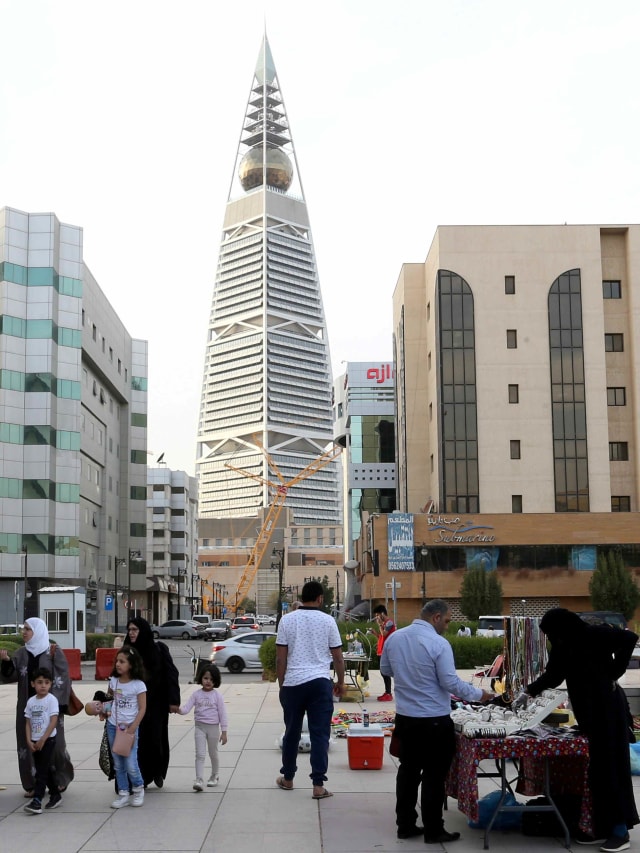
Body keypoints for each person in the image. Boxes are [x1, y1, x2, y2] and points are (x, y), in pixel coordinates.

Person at [514, 608, 638, 852]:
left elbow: (629, 638)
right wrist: (529, 691)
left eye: (551, 633)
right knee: (597, 773)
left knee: (613, 768)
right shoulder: (563, 644)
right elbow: (554, 675)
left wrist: (615, 672)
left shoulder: (593, 633)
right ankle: (601, 827)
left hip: (608, 708)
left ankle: (620, 830)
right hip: (588, 712)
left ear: (563, 628)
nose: (550, 638)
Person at [380, 598, 494, 843]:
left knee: (408, 772)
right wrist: (480, 695)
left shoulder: (395, 638)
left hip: (406, 718)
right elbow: (450, 683)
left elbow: (386, 669)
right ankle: (433, 829)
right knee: (433, 775)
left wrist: (409, 675)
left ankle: (406, 825)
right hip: (433, 720)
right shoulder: (438, 643)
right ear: (436, 617)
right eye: (447, 620)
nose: (448, 626)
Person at [275, 579, 346, 799]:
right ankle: (318, 785)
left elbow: (280, 658)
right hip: (319, 682)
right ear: (320, 598)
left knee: (292, 733)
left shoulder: (287, 620)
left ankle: (287, 778)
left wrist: (282, 685)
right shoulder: (327, 621)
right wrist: (341, 682)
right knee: (319, 734)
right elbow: (337, 656)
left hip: (293, 683)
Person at [0, 617, 74, 796]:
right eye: (23, 629)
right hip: (27, 708)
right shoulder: (20, 654)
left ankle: (59, 780)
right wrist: (7, 661)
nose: (23, 632)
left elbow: (63, 679)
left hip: (50, 709)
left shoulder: (54, 652)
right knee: (27, 746)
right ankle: (32, 784)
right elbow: (10, 676)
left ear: (38, 631)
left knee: (55, 745)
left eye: (28, 629)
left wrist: (58, 705)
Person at [123, 616, 181, 788]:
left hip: (156, 704)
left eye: (135, 629)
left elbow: (171, 674)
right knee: (137, 742)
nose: (131, 633)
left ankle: (157, 771)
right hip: (133, 706)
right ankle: (141, 776)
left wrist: (173, 701)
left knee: (155, 740)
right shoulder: (127, 651)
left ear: (143, 631)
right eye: (130, 629)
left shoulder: (158, 649)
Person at [105, 647, 147, 809]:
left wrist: (134, 727)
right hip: (113, 726)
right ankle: (123, 793)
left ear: (132, 664)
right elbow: (110, 699)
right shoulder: (113, 681)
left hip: (129, 729)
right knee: (118, 763)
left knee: (130, 762)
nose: (118, 664)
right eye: (117, 661)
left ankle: (138, 789)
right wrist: (105, 711)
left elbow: (143, 708)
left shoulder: (139, 685)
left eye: (122, 661)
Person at [176, 663, 228, 792]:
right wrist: (177, 709)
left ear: (215, 681)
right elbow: (186, 709)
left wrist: (224, 732)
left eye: (211, 679)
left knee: (213, 753)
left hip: (213, 729)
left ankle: (215, 775)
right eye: (205, 678)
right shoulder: (196, 695)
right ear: (200, 679)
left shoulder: (217, 696)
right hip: (199, 727)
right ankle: (199, 779)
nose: (208, 681)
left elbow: (223, 715)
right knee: (199, 754)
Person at [23, 667, 62, 815]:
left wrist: (43, 739)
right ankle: (55, 794)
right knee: (44, 768)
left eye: (46, 682)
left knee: (41, 771)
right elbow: (27, 723)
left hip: (48, 740)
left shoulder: (51, 700)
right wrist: (29, 740)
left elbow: (53, 721)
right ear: (33, 684)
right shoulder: (31, 701)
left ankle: (37, 801)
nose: (43, 685)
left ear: (51, 684)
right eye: (39, 682)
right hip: (34, 741)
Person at [371, 604, 396, 701]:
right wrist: (374, 633)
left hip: (387, 651)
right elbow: (381, 636)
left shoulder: (389, 623)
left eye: (377, 615)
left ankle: (388, 693)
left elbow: (384, 633)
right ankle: (387, 691)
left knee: (385, 672)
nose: (376, 617)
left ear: (382, 614)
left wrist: (380, 625)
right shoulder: (384, 624)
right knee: (383, 672)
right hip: (381, 650)